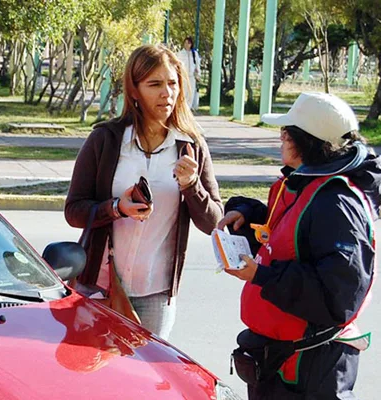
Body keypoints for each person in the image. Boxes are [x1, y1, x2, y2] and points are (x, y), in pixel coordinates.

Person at [217, 92, 380, 399]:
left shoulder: (336, 203)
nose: (280, 140)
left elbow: (338, 298)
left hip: (310, 367)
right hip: (283, 360)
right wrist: (248, 214)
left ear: (304, 141)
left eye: (285, 134)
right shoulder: (308, 182)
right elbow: (291, 237)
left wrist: (262, 276)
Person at [64, 44, 223, 340]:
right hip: (99, 285)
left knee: (144, 379)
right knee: (94, 376)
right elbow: (74, 210)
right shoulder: (105, 140)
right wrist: (116, 208)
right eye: (155, 84)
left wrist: (191, 185)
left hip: (156, 294)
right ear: (134, 90)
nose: (167, 93)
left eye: (173, 83)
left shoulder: (191, 145)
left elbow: (214, 222)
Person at [176, 36, 201, 112]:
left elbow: (197, 65)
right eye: (185, 43)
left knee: (191, 93)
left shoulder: (194, 53)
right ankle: (182, 108)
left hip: (192, 76)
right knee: (183, 92)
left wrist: (198, 75)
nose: (187, 44)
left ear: (191, 44)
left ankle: (188, 109)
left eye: (188, 43)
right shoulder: (180, 53)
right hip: (183, 76)